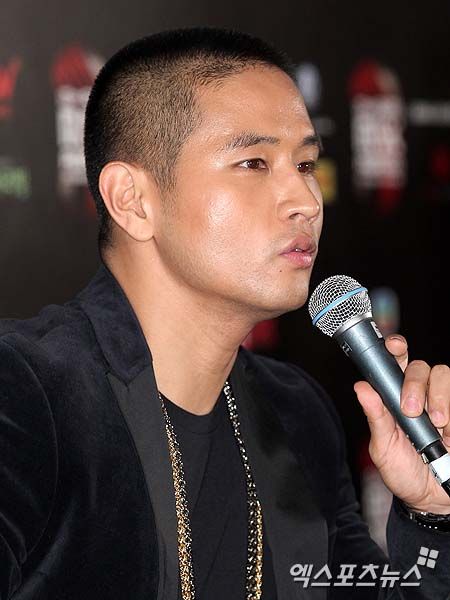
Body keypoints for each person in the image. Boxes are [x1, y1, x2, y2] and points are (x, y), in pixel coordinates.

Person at [1, 27, 449, 600]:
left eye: (306, 164)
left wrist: (430, 515)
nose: (306, 201)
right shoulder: (27, 394)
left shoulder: (296, 414)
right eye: (254, 163)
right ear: (132, 201)